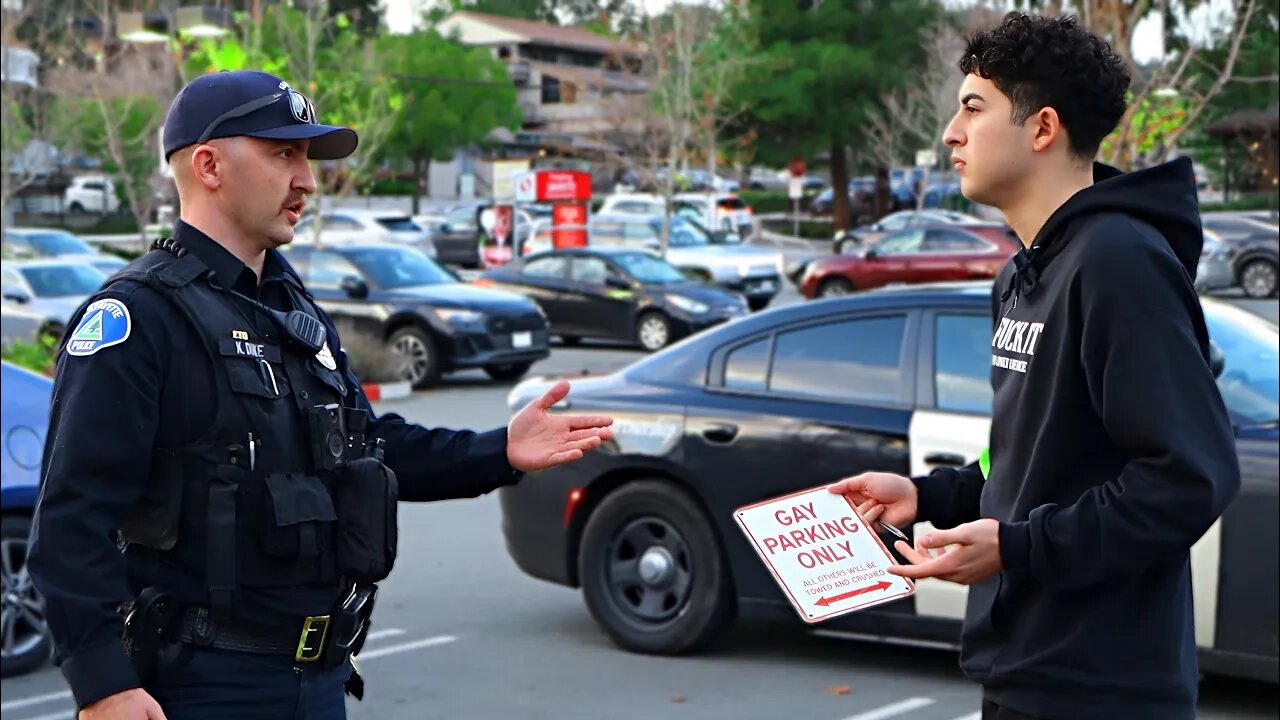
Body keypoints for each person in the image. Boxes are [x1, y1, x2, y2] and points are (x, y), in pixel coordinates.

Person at [27, 70, 614, 720]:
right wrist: (103, 683)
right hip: (201, 688)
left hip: (319, 680)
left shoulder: (289, 304)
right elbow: (71, 519)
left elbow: (364, 445)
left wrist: (500, 450)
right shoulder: (138, 320)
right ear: (209, 165)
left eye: (308, 156)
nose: (307, 178)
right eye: (284, 153)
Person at [831, 13, 1240, 720]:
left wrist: (1019, 549)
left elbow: (1191, 477)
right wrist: (927, 496)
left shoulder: (1120, 264)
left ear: (1042, 128)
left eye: (972, 108)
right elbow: (1036, 459)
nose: (950, 134)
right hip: (1023, 667)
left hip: (1102, 688)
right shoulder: (1022, 275)